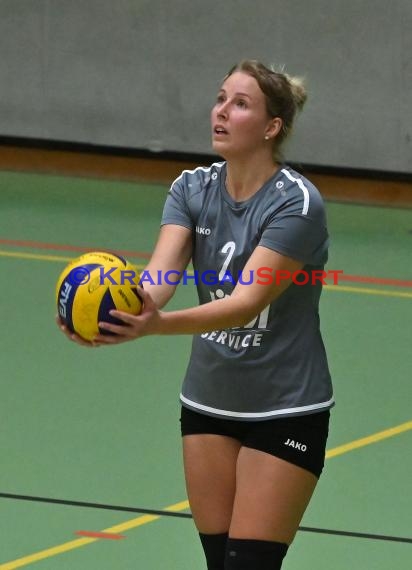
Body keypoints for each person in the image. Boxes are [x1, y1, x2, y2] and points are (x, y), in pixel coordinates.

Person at [58, 59, 334, 569]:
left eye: (241, 104)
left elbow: (248, 301)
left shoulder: (296, 204)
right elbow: (158, 282)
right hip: (208, 403)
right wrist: (107, 313)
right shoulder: (192, 188)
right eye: (220, 98)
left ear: (272, 127)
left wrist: (157, 327)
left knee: (249, 565)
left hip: (285, 408)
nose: (221, 112)